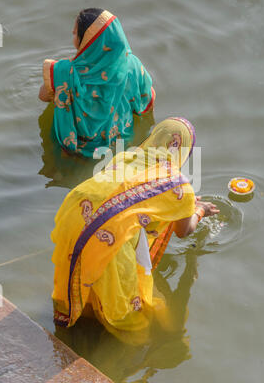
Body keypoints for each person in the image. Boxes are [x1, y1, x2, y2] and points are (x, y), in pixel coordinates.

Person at [51, 117, 219, 343]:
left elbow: (126, 198)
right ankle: (123, 347)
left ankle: (80, 322)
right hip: (109, 237)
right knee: (131, 317)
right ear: (184, 152)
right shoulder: (178, 185)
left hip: (74, 213)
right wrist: (198, 211)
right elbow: (183, 231)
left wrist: (183, 204)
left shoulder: (125, 157)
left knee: (85, 271)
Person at [39, 8, 155, 157]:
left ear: (85, 41)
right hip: (121, 143)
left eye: (75, 33)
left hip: (76, 151)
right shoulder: (132, 65)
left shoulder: (65, 72)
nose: (72, 36)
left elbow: (42, 96)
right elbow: (149, 99)